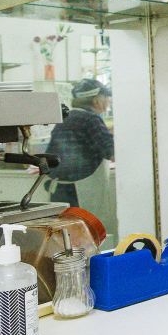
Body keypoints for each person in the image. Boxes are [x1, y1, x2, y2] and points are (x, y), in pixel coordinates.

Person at [45, 79, 116, 232]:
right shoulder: (92, 120)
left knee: (64, 236)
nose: (108, 101)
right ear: (97, 100)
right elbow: (111, 151)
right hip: (81, 193)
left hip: (59, 191)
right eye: (106, 97)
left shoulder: (66, 118)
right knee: (85, 237)